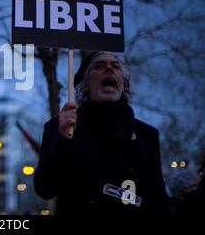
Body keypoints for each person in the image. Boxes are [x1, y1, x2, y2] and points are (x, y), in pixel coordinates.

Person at [34, 51, 170, 218]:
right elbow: (44, 188)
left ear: (124, 85)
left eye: (115, 66)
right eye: (99, 66)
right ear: (85, 85)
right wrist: (62, 139)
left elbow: (157, 199)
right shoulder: (60, 126)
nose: (109, 69)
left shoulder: (146, 135)